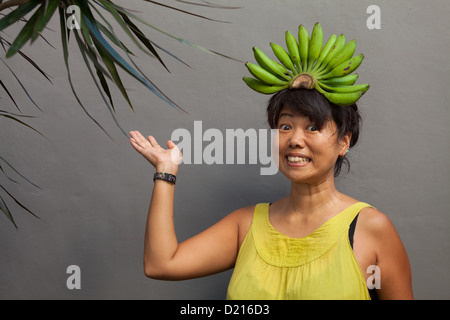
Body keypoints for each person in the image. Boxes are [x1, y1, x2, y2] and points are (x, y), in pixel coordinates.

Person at [129, 88, 413, 300]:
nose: (295, 140)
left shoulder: (371, 228)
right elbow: (161, 264)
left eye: (313, 127)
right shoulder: (246, 224)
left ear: (344, 142)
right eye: (285, 126)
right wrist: (166, 172)